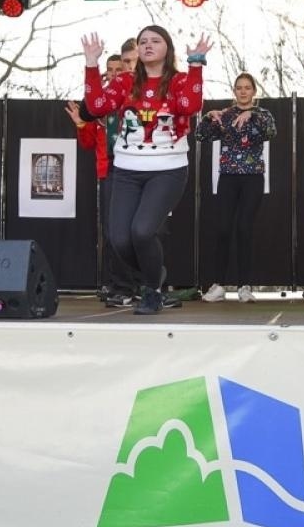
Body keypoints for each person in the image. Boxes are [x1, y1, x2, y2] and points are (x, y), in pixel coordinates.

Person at [82, 24, 210, 315]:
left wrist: (196, 65)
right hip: (126, 169)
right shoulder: (126, 81)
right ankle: (155, 277)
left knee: (141, 232)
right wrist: (91, 64)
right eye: (143, 42)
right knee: (118, 239)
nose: (147, 45)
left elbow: (190, 104)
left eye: (155, 40)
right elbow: (96, 105)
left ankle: (152, 290)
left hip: (167, 169)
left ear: (167, 48)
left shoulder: (178, 81)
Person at [196, 72, 276, 303]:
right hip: (228, 177)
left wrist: (252, 114)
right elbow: (201, 136)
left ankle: (244, 286)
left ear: (254, 91)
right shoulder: (226, 114)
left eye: (247, 88)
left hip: (253, 177)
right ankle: (218, 285)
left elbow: (271, 131)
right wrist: (208, 117)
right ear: (234, 91)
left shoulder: (263, 114)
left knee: (244, 229)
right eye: (239, 87)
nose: (243, 91)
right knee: (223, 229)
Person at [69, 53, 136, 306]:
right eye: (110, 69)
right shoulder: (97, 104)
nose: (115, 73)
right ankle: (116, 284)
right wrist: (81, 124)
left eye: (120, 68)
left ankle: (138, 284)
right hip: (107, 171)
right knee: (111, 231)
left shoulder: (133, 97)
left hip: (134, 167)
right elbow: (87, 145)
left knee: (134, 230)